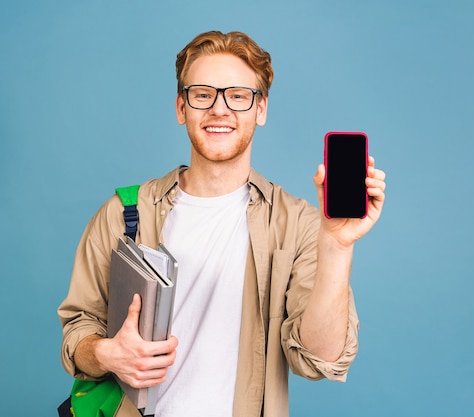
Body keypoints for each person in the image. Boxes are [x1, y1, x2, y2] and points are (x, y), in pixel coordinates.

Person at [58, 30, 386, 417]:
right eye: (202, 94)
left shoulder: (298, 224)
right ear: (181, 108)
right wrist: (106, 353)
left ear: (260, 110)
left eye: (238, 96)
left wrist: (337, 245)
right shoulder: (123, 212)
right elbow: (79, 330)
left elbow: (319, 358)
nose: (219, 109)